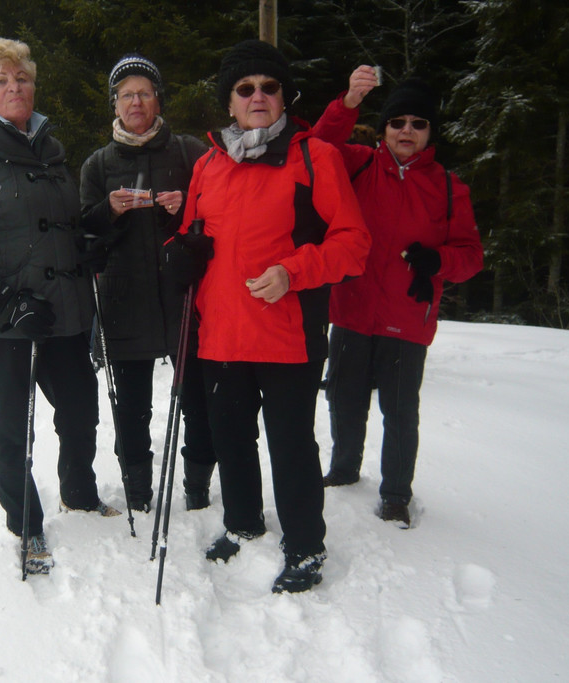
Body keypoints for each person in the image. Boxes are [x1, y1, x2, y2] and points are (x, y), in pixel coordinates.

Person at [164, 40, 372, 593]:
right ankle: (242, 523)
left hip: (287, 335)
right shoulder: (208, 165)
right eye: (245, 88)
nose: (257, 96)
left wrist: (293, 271)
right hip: (221, 333)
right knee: (231, 440)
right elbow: (190, 233)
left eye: (269, 87)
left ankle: (304, 545)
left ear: (284, 96)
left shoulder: (315, 157)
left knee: (291, 445)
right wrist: (179, 252)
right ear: (230, 101)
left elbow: (354, 244)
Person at [0, 38, 120, 577]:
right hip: (5, 323)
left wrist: (86, 244)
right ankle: (25, 522)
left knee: (80, 412)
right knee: (13, 429)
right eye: (1, 80)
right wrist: (5, 300)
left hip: (64, 315)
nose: (14, 87)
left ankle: (79, 493)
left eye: (22, 78)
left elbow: (58, 230)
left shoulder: (51, 153)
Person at [312, 67, 484, 527]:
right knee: (343, 398)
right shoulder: (359, 164)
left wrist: (438, 260)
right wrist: (348, 103)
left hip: (407, 318)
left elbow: (471, 257)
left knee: (401, 412)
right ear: (384, 127)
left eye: (418, 123)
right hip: (351, 309)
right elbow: (316, 148)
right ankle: (344, 469)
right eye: (397, 122)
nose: (407, 131)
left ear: (430, 132)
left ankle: (395, 494)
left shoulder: (449, 188)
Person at [79, 54, 216, 513]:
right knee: (131, 411)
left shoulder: (190, 152)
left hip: (186, 298)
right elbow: (85, 234)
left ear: (158, 100)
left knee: (198, 402)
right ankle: (138, 491)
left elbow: (219, 217)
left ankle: (197, 487)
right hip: (125, 301)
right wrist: (109, 211)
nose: (135, 102)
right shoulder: (98, 165)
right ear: (115, 105)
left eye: (144, 93)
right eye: (126, 95)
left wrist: (187, 209)